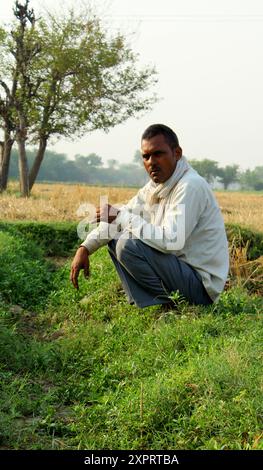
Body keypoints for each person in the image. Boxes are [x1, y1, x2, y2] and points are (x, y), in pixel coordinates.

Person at [70, 124, 229, 308]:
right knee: (116, 237)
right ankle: (161, 302)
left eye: (158, 154)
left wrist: (121, 217)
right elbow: (124, 216)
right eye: (146, 156)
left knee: (128, 244)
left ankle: (170, 304)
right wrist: (85, 247)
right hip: (179, 272)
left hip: (200, 287)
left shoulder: (189, 186)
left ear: (176, 153)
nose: (151, 162)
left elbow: (171, 240)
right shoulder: (156, 186)